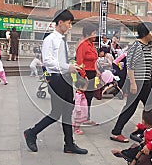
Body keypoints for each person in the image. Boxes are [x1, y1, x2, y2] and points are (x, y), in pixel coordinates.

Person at [23, 9, 88, 154]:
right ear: (60, 22)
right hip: (56, 79)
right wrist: (67, 66)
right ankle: (32, 133)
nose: (70, 26)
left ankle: (69, 144)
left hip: (65, 78)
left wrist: (71, 66)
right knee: (56, 112)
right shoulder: (50, 39)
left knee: (67, 112)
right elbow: (48, 61)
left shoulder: (61, 40)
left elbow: (59, 60)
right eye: (69, 23)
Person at [110, 22, 152, 143]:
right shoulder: (137, 46)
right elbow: (130, 66)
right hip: (138, 83)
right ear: (146, 33)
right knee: (132, 108)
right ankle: (116, 133)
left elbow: (147, 65)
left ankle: (147, 130)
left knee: (150, 107)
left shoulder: (146, 46)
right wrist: (133, 83)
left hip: (145, 83)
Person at [76, 24, 99, 126]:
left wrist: (97, 71)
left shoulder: (92, 45)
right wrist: (83, 75)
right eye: (94, 33)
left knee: (89, 97)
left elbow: (94, 60)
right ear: (87, 34)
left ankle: (87, 117)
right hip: (85, 74)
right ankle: (79, 118)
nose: (95, 35)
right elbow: (79, 61)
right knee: (82, 97)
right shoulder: (83, 45)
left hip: (92, 73)